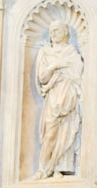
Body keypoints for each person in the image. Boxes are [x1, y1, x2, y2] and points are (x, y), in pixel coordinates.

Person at [35, 20, 84, 176]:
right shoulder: (45, 52)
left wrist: (63, 68)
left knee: (67, 131)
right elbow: (42, 77)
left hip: (68, 94)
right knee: (50, 133)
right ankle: (43, 168)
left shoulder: (71, 51)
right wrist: (56, 65)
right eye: (52, 31)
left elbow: (77, 73)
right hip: (53, 95)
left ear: (66, 32)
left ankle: (58, 168)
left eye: (57, 30)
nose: (53, 34)